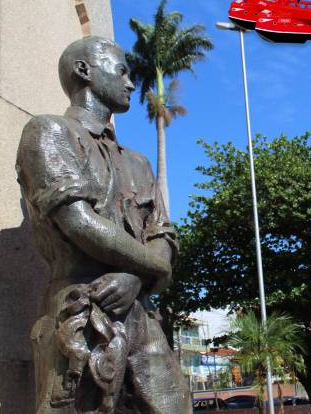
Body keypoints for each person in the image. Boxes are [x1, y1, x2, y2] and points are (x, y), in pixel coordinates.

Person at [15, 36, 191, 413]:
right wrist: (155, 269)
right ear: (84, 71)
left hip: (141, 313)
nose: (130, 83)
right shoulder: (49, 132)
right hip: (79, 312)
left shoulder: (138, 163)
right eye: (121, 71)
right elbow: (78, 222)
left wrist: (137, 277)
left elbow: (161, 234)